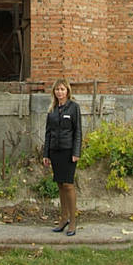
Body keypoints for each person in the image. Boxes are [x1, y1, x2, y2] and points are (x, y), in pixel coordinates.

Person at [42, 78, 82, 236]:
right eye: (57, 89)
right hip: (55, 151)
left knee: (68, 185)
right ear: (54, 92)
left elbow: (78, 131)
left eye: (62, 89)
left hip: (68, 151)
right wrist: (46, 154)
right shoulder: (52, 109)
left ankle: (73, 221)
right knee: (59, 184)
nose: (60, 92)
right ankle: (63, 218)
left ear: (67, 91)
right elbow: (48, 133)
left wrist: (76, 152)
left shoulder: (74, 108)